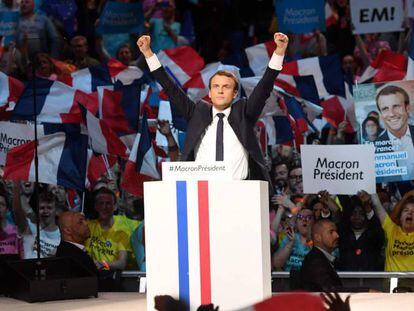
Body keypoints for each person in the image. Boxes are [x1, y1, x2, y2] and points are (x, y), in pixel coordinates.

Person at [136, 32, 289, 192]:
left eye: (226, 86)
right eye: (216, 86)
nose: (220, 91)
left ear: (235, 93)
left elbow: (264, 87)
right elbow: (171, 88)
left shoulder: (244, 114)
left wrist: (279, 52)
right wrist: (148, 54)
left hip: (240, 192)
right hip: (202, 192)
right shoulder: (197, 114)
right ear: (209, 93)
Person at [375, 85, 414, 181]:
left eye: (396, 106)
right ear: (381, 114)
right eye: (385, 109)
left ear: (407, 108)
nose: (391, 114)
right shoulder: (374, 148)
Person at [12, 183, 61, 259]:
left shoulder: (62, 234)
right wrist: (16, 187)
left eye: (49, 208)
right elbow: (17, 212)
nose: (45, 211)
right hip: (27, 269)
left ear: (56, 211)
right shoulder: (30, 227)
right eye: (42, 208)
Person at [300, 219, 342, 291]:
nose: (337, 236)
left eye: (336, 232)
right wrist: (364, 291)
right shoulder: (315, 261)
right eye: (331, 232)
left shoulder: (320, 258)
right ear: (317, 238)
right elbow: (329, 290)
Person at [56, 211, 97, 275]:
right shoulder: (72, 259)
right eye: (80, 222)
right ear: (68, 230)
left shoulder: (67, 252)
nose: (86, 223)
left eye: (85, 220)